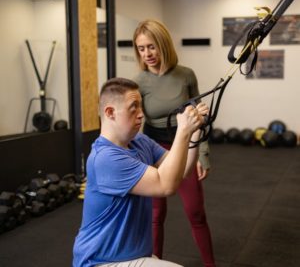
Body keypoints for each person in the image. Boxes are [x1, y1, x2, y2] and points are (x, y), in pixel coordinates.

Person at [72, 77, 209, 267]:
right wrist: (183, 131)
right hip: (101, 262)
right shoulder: (105, 158)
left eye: (141, 106)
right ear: (110, 112)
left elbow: (183, 169)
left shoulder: (140, 141)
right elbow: (166, 185)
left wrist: (194, 131)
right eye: (133, 107)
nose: (141, 114)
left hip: (133, 257)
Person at [133, 19, 216, 267]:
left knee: (196, 213)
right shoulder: (139, 81)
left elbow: (198, 118)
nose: (147, 54)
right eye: (141, 48)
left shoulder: (186, 75)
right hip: (153, 150)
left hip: (184, 147)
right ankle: (154, 263)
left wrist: (203, 154)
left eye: (152, 46)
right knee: (156, 215)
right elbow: (135, 123)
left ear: (164, 45)